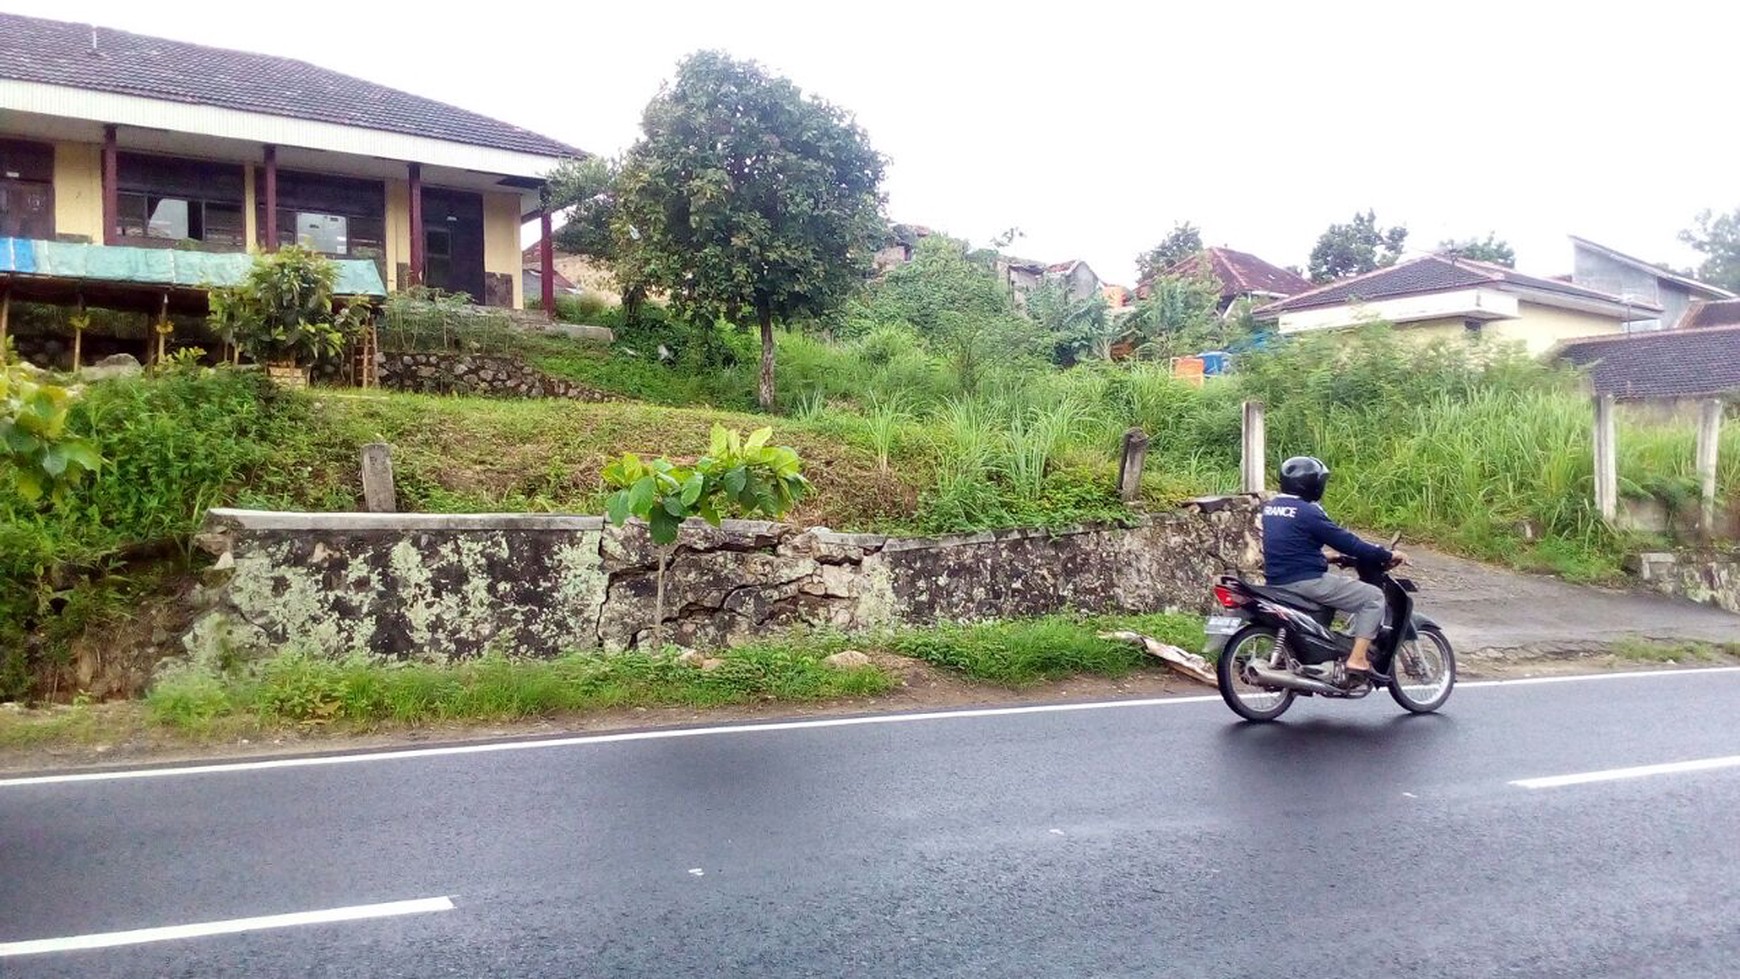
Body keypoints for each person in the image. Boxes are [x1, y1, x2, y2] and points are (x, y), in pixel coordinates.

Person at [1261, 456, 1408, 685]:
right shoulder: (1307, 512)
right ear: (1311, 484)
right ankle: (1357, 660)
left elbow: (1289, 544)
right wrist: (1386, 554)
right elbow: (1349, 543)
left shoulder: (1272, 508)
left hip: (1277, 580)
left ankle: (1320, 654)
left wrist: (1326, 557)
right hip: (1306, 582)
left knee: (1333, 597)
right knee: (1373, 598)